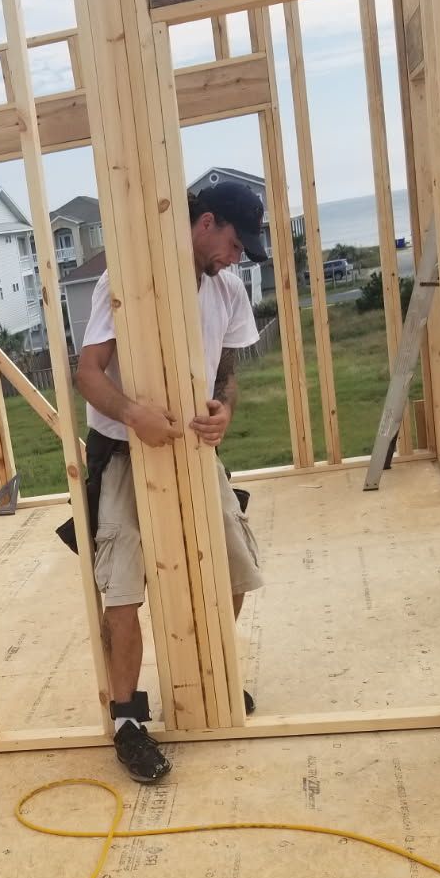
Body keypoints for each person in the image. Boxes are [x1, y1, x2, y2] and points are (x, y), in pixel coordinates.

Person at [73, 182, 267, 784]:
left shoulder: (226, 288)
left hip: (191, 452)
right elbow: (88, 372)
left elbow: (228, 372)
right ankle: (127, 719)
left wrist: (222, 409)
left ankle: (210, 672)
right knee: (124, 588)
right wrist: (133, 414)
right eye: (233, 244)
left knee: (235, 567)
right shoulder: (127, 284)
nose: (236, 257)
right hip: (126, 453)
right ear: (205, 223)